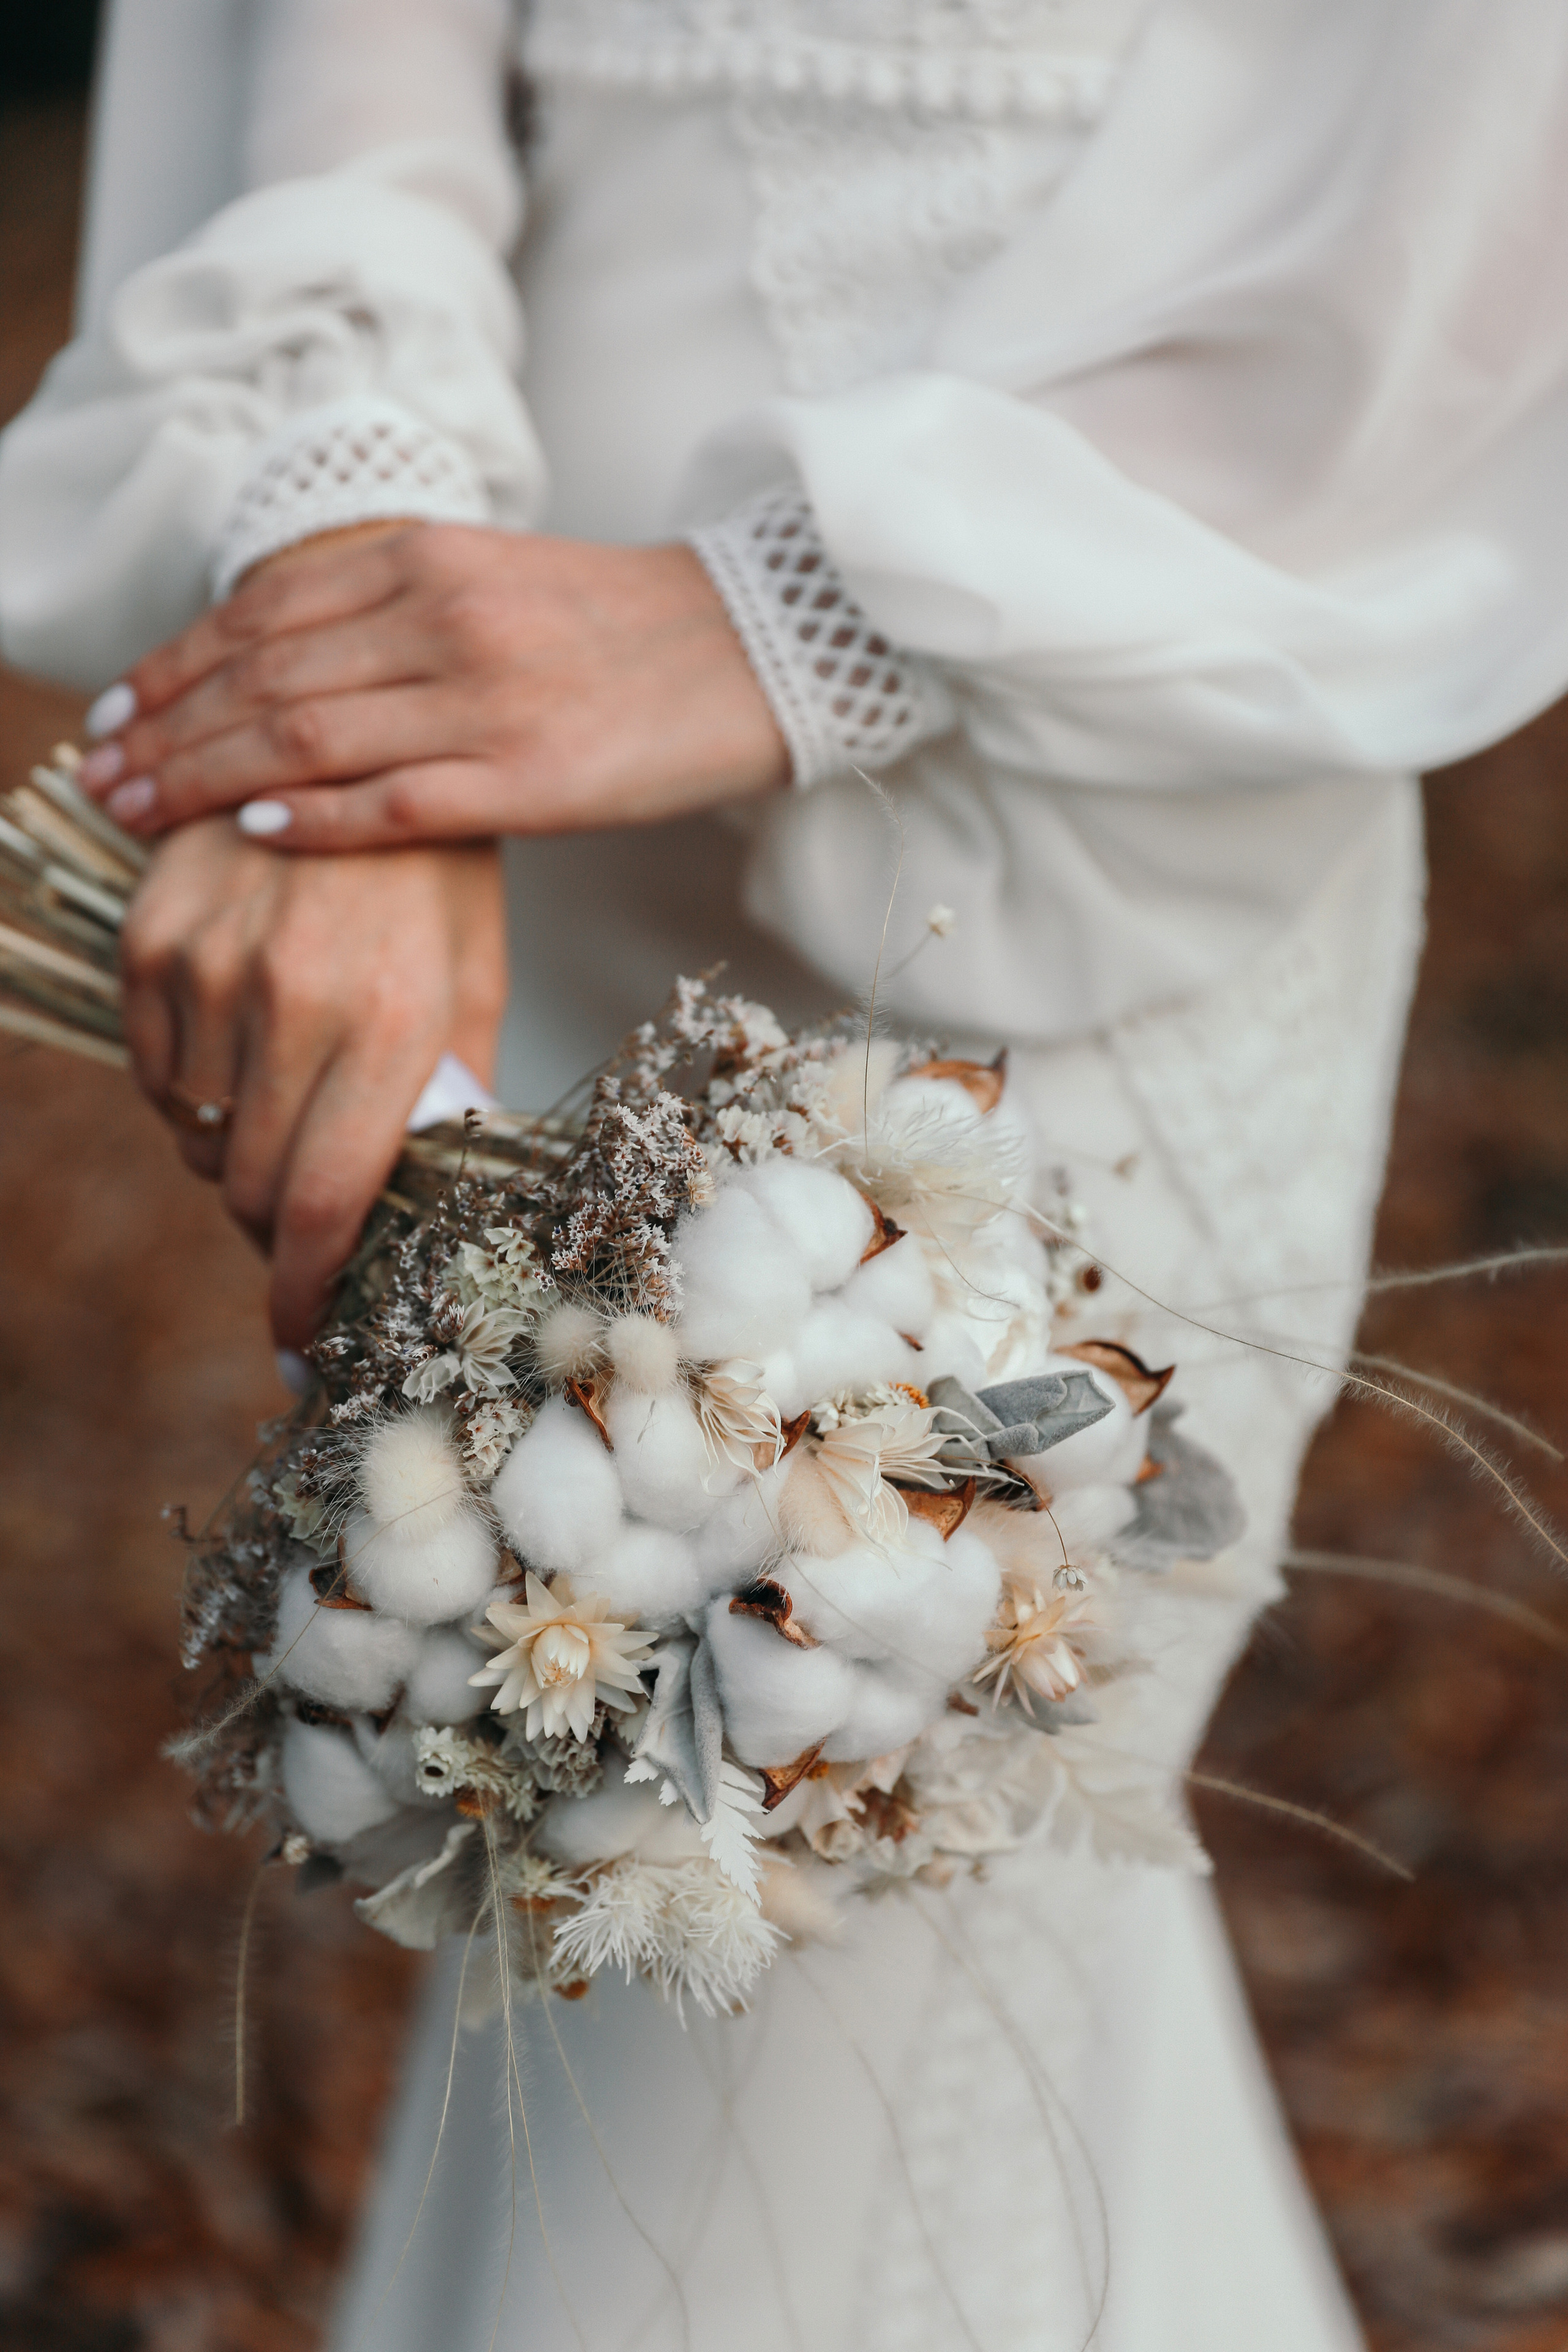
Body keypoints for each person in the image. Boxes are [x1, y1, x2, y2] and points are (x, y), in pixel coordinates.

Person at [4, 2, 1568, 2343]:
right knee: (675, 1956)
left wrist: (793, 611)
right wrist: (352, 648)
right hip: (523, 729)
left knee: (863, 1917)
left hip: (1106, 738)